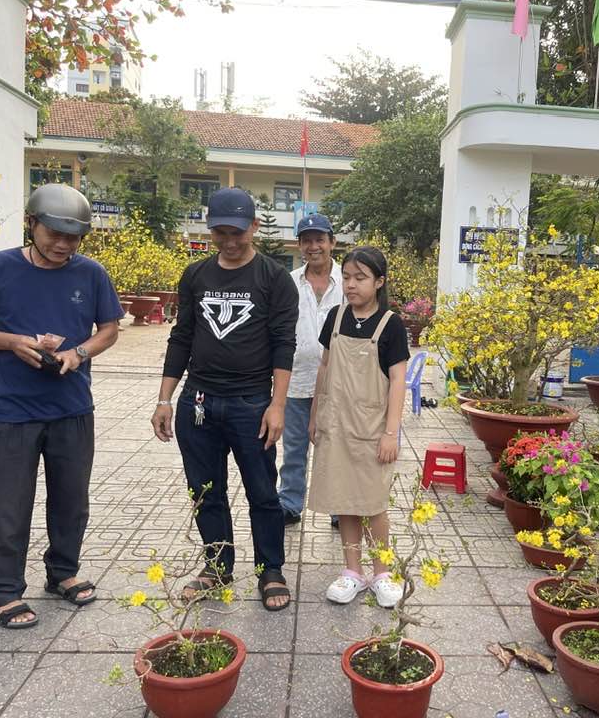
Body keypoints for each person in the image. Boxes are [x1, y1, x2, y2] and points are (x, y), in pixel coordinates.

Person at [0, 183, 124, 629]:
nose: (63, 245)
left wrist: (79, 353)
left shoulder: (91, 274)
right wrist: (13, 342)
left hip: (72, 407)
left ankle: (63, 572)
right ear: (32, 224)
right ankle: (4, 591)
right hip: (15, 411)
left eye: (73, 237)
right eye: (54, 233)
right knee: (11, 505)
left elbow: (108, 329)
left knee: (72, 500)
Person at [151, 188, 298, 612]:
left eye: (238, 232)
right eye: (220, 232)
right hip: (198, 402)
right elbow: (181, 338)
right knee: (205, 490)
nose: (230, 241)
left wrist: (278, 404)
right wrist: (165, 399)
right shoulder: (196, 275)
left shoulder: (273, 278)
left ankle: (270, 568)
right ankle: (217, 565)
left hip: (252, 403)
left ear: (254, 226)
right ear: (210, 229)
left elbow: (282, 344)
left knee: (262, 492)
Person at [307, 246, 409, 608]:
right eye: (347, 277)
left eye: (360, 278)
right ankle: (352, 572)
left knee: (373, 503)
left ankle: (382, 573)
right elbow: (324, 368)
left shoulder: (391, 324)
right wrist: (316, 414)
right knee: (344, 500)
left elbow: (398, 380)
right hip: (336, 425)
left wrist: (391, 432)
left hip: (371, 428)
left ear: (379, 282)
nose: (350, 285)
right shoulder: (335, 317)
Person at [279, 214, 342, 526]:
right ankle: (290, 504)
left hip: (339, 384)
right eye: (307, 240)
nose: (313, 246)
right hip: (295, 380)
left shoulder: (350, 280)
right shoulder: (288, 282)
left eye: (320, 239)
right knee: (294, 449)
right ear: (299, 245)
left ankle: (338, 508)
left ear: (332, 242)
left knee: (336, 449)